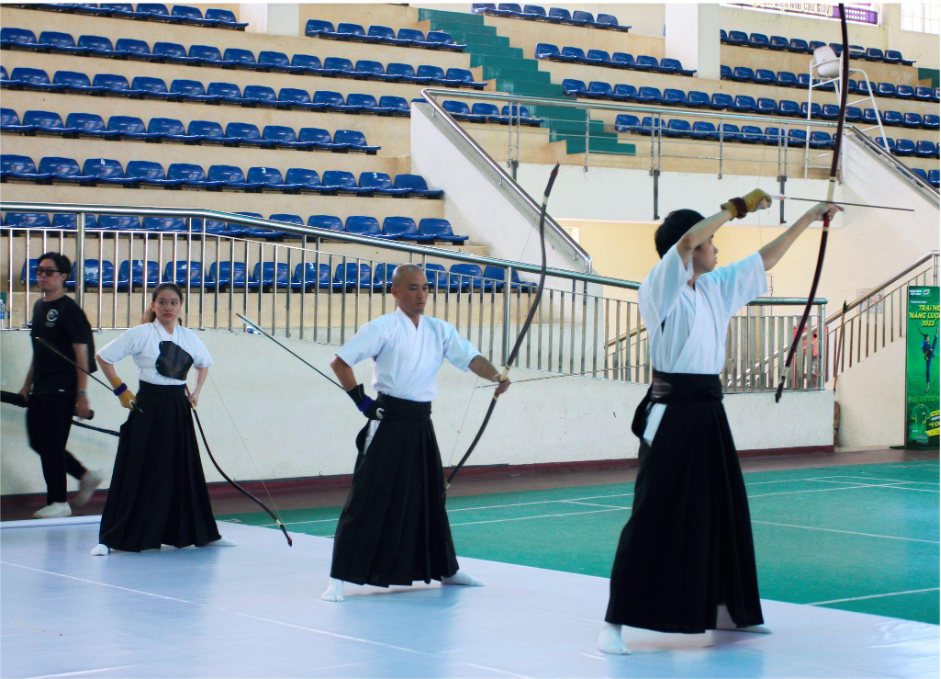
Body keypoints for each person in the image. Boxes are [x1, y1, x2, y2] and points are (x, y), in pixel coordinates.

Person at [599, 191, 842, 655]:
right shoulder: (661, 284)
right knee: (653, 512)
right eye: (711, 243)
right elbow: (691, 236)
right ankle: (615, 621)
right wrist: (736, 208)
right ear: (692, 249)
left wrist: (810, 218)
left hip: (709, 409)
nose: (717, 250)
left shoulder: (711, 287)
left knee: (722, 508)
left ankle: (729, 610)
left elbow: (762, 259)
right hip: (672, 411)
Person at [322, 264, 511, 601]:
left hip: (421, 422)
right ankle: (339, 576)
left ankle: (447, 569)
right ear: (394, 292)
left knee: (431, 496)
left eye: (425, 288)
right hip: (388, 419)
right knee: (368, 496)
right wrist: (362, 402)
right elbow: (340, 362)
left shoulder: (439, 330)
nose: (421, 294)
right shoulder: (381, 327)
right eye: (412, 288)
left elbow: (471, 359)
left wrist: (496, 376)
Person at [90, 283, 232, 555]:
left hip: (177, 406)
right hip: (148, 405)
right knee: (136, 469)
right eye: (163, 302)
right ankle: (110, 538)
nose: (168, 307)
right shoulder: (141, 333)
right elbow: (103, 356)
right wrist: (120, 388)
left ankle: (204, 534)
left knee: (183, 470)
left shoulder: (187, 336)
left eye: (174, 302)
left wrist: (197, 391)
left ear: (180, 307)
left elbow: (204, 363)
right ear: (153, 306)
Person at [18, 252, 102, 519]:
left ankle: (58, 501)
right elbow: (39, 350)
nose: (42, 275)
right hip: (42, 386)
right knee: (38, 441)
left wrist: (81, 394)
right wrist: (26, 385)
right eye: (40, 270)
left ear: (63, 277)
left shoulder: (70, 310)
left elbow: (81, 352)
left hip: (64, 387)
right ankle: (85, 475)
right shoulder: (40, 306)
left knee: (52, 444)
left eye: (49, 271)